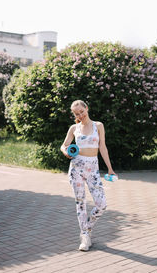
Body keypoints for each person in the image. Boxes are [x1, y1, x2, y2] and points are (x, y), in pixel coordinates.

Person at [60, 100, 117, 251]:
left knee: (101, 204)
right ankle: (84, 236)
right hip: (76, 168)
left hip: (93, 169)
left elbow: (102, 147)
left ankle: (88, 227)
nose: (80, 115)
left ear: (87, 108)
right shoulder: (74, 128)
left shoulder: (98, 126)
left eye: (81, 111)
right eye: (76, 114)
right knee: (80, 202)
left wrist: (110, 168)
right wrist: (66, 152)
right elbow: (64, 145)